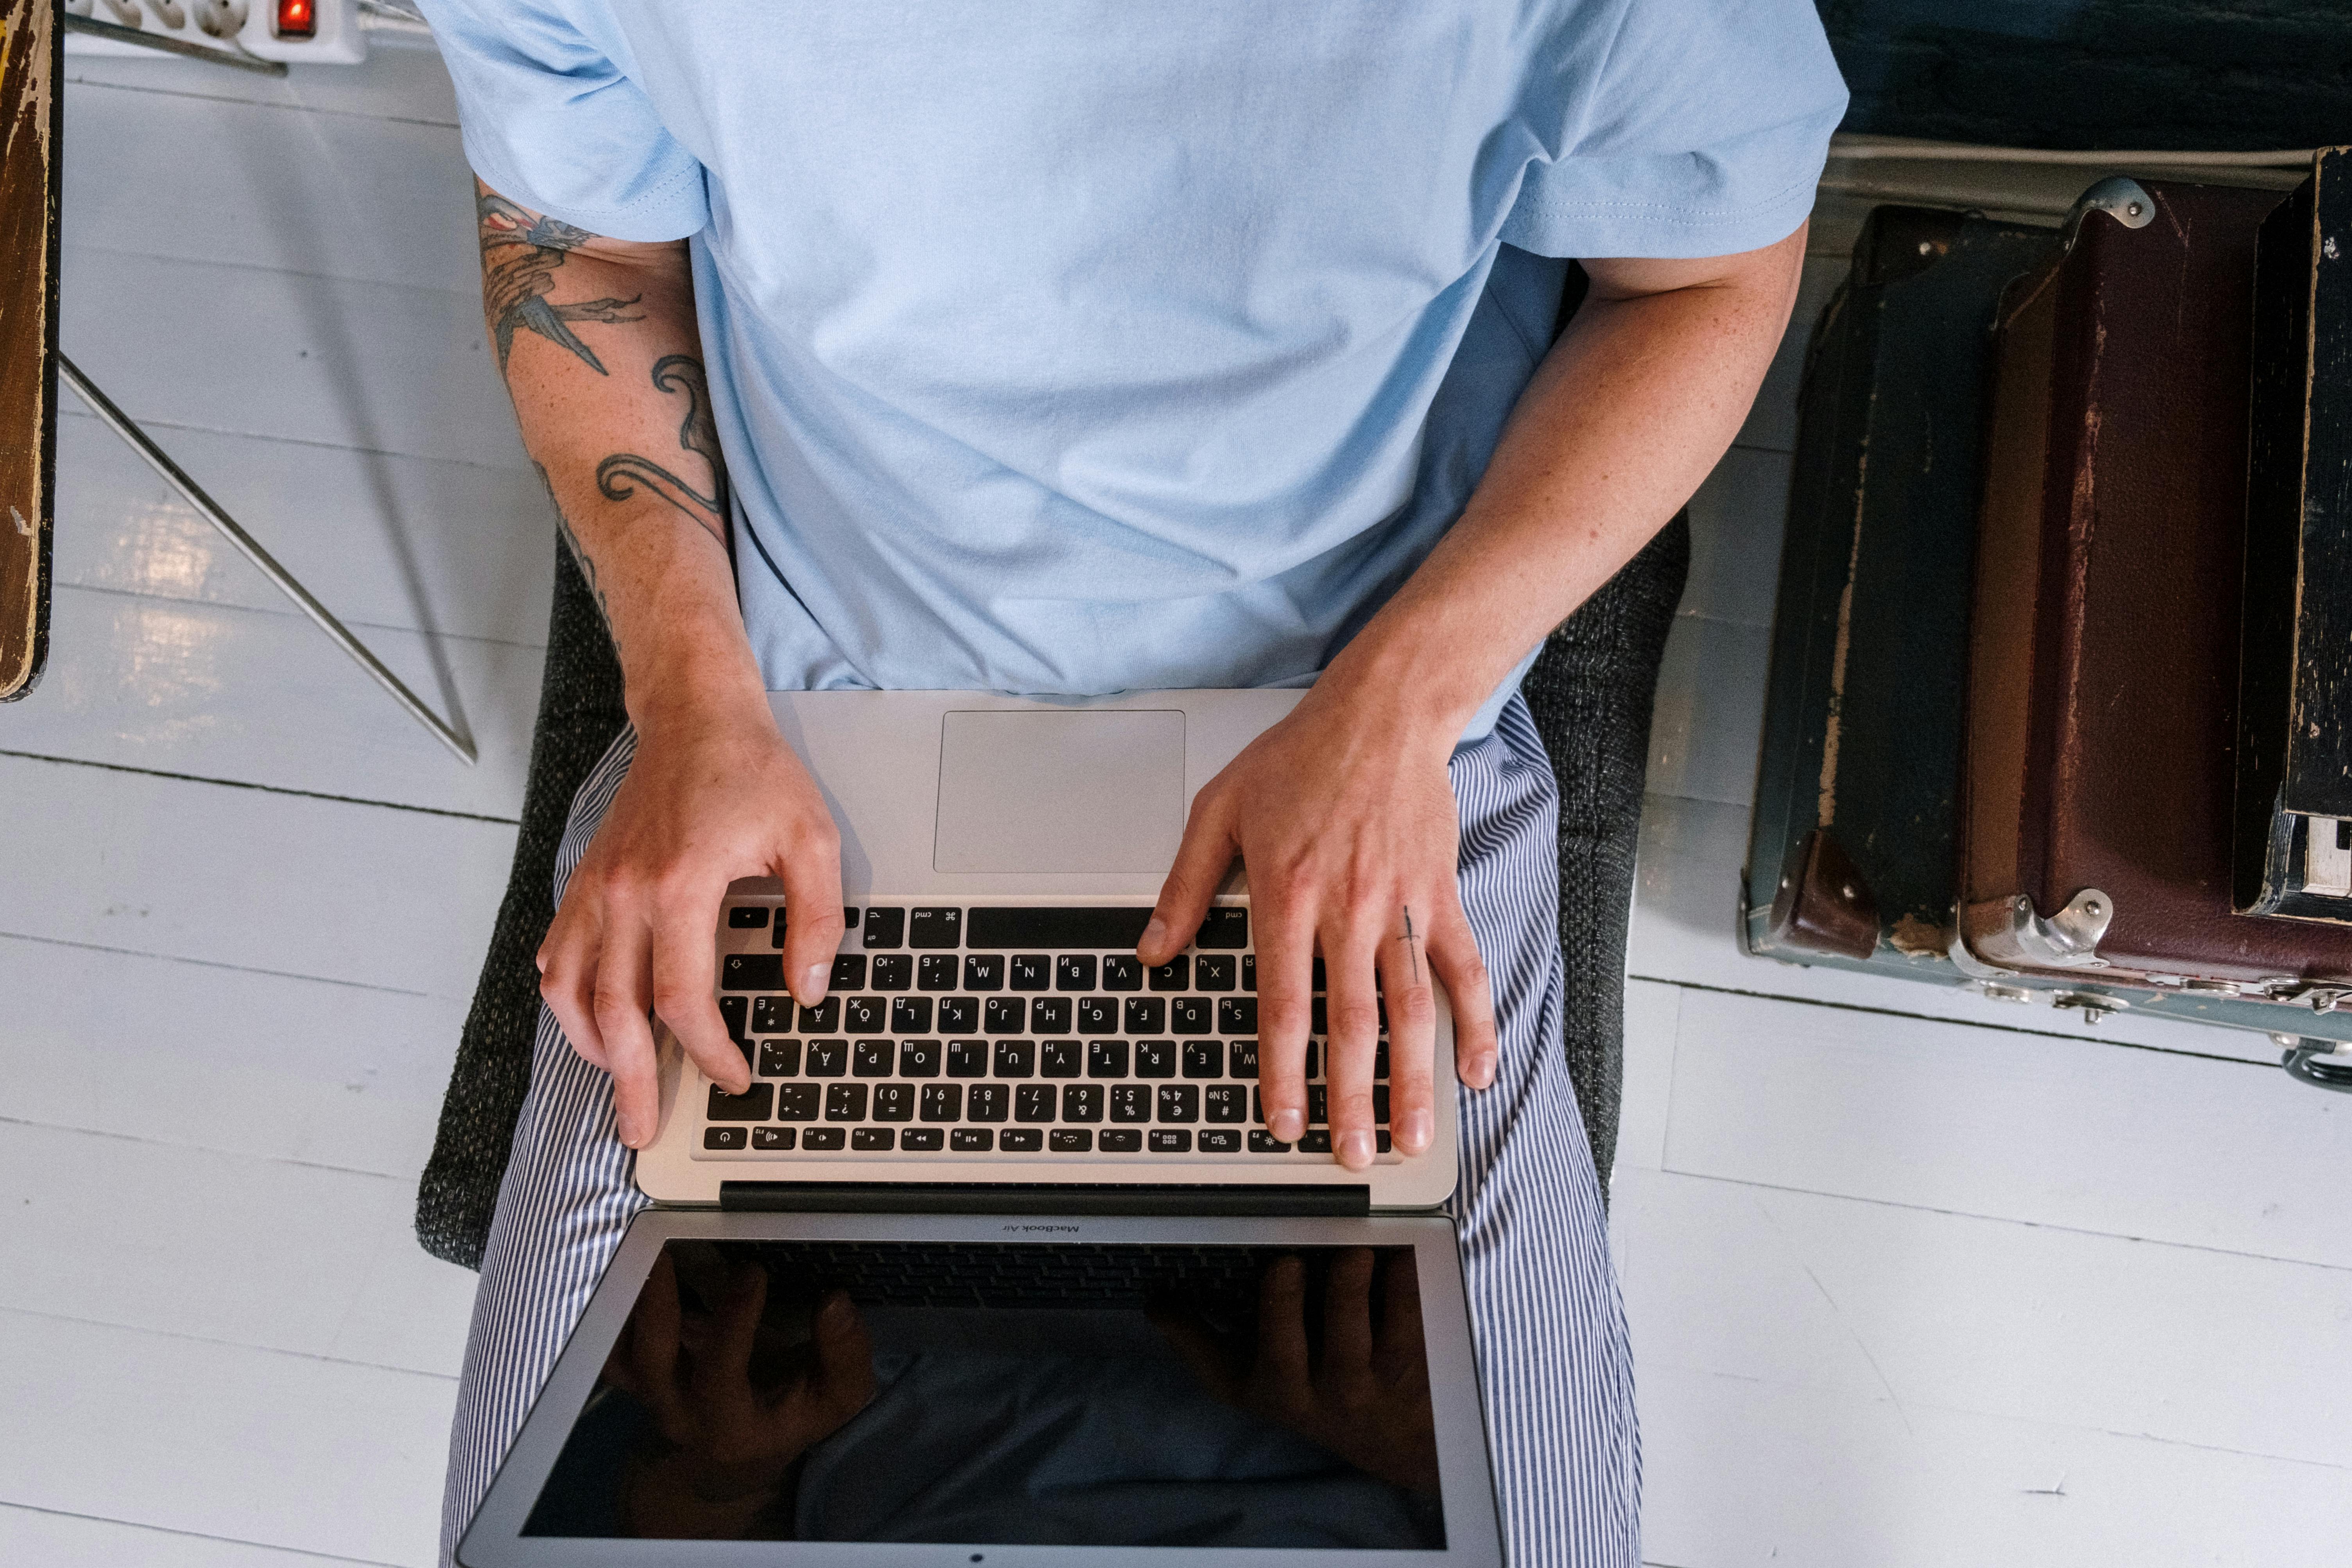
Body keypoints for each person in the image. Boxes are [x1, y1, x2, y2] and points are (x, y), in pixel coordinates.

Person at [418, 4, 1847, 1564]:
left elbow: (1705, 281)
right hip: (798, 728)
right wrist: (692, 699)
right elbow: (584, 251)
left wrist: (1399, 706)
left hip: (1352, 727)